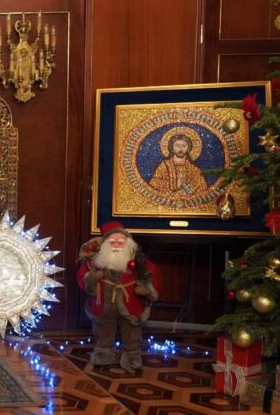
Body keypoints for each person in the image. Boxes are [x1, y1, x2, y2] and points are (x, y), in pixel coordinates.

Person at [76, 222, 159, 372]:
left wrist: (146, 288)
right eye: (112, 242)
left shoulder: (137, 261)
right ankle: (104, 354)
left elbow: (152, 274)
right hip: (104, 305)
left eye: (121, 242)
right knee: (103, 330)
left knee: (132, 332)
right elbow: (83, 278)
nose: (116, 246)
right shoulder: (95, 261)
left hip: (130, 304)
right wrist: (93, 277)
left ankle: (132, 357)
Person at [148, 130, 209, 201]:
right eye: (177, 145)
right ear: (172, 148)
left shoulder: (194, 170)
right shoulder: (164, 166)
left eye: (184, 146)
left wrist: (184, 187)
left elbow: (202, 189)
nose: (180, 149)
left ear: (188, 148)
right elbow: (154, 183)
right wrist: (171, 186)